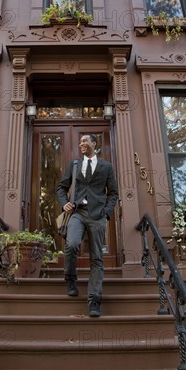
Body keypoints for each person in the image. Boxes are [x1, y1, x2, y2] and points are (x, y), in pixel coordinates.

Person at [56, 133, 118, 317]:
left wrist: (106, 212)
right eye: (80, 141)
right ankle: (71, 280)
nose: (81, 143)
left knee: (97, 257)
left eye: (84, 141)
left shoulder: (106, 166)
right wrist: (64, 202)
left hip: (97, 215)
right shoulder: (74, 165)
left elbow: (113, 193)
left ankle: (94, 300)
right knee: (72, 244)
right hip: (77, 213)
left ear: (93, 144)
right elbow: (61, 187)